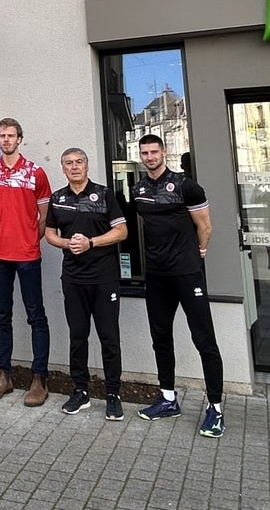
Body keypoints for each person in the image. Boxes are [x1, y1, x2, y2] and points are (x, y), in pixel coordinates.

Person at [133, 134, 226, 438]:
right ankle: (168, 399)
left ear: (164, 152)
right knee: (160, 337)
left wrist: (198, 253)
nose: (149, 157)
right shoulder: (139, 189)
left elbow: (205, 225)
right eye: (144, 153)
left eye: (154, 151)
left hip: (187, 274)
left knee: (204, 340)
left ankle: (215, 408)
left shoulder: (187, 186)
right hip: (157, 277)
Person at [44, 148, 127, 421]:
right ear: (63, 168)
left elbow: (122, 231)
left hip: (104, 278)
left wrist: (91, 242)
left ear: (87, 166)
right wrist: (68, 243)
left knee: (109, 338)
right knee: (77, 337)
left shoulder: (103, 195)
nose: (74, 167)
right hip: (73, 279)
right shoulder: (58, 198)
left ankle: (113, 394)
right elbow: (49, 234)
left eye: (79, 162)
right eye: (69, 163)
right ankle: (80, 391)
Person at [0, 117, 52, 406]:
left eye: (11, 135)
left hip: (28, 255)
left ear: (20, 139)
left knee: (36, 316)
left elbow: (44, 216)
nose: (6, 140)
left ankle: (39, 379)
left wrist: (30, 238)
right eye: (2, 136)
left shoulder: (36, 173)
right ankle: (4, 375)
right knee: (1, 316)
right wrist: (3, 235)